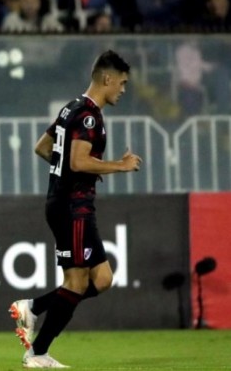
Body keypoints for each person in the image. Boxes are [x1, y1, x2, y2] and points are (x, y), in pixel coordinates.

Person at [10, 50, 142, 368]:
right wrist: (119, 166)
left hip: (69, 203)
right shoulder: (88, 116)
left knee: (103, 278)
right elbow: (77, 161)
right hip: (72, 207)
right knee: (77, 283)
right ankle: (37, 353)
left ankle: (33, 307)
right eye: (122, 83)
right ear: (106, 79)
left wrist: (72, 173)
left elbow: (42, 146)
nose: (123, 89)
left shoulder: (72, 107)